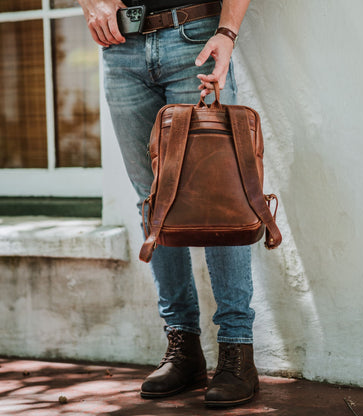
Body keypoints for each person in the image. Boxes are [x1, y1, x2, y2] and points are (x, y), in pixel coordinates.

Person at [78, 0, 256, 408]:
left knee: (217, 200)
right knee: (153, 203)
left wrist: (227, 32)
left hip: (193, 38)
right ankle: (183, 347)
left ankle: (237, 351)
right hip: (121, 48)